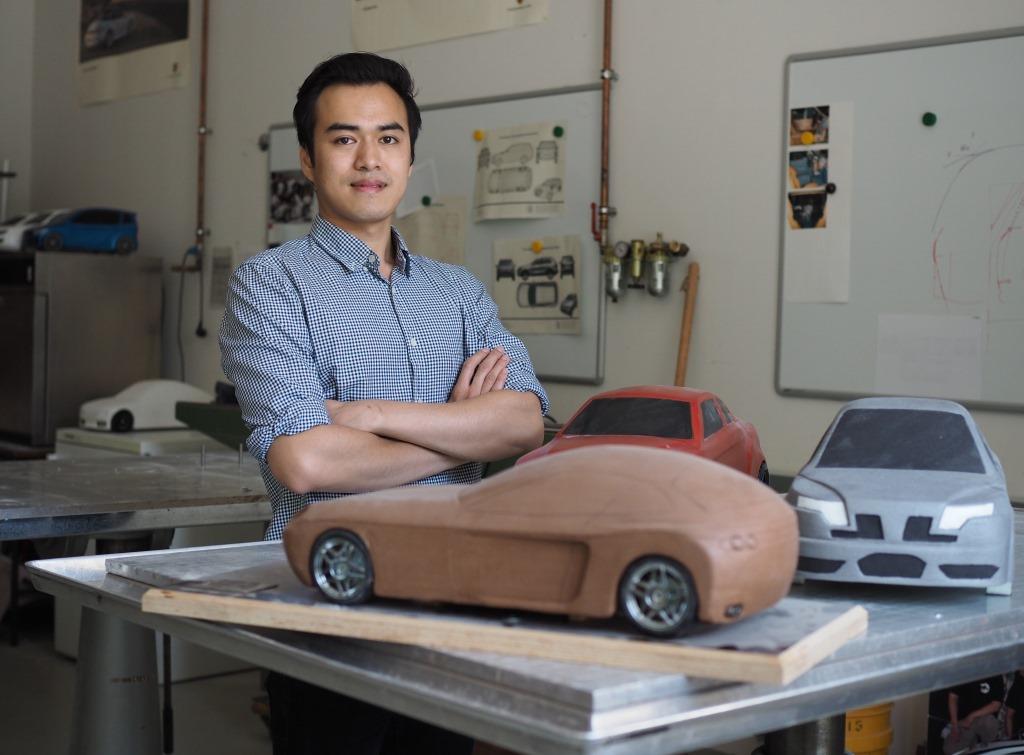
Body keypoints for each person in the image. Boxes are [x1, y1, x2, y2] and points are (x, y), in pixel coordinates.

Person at [220, 52, 549, 755]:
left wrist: (368, 416)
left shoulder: (458, 292)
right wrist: (461, 434)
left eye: (389, 137)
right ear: (308, 159)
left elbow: (522, 422)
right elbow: (305, 461)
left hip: (456, 600)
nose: (369, 158)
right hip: (330, 605)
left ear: (408, 153)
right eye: (344, 139)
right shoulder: (270, 285)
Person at [943, 674, 1005, 754]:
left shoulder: (995, 675)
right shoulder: (964, 672)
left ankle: (988, 749)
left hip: (982, 719)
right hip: (963, 722)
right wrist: (955, 725)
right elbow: (952, 697)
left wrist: (971, 716)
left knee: (990, 722)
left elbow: (996, 705)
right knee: (948, 750)